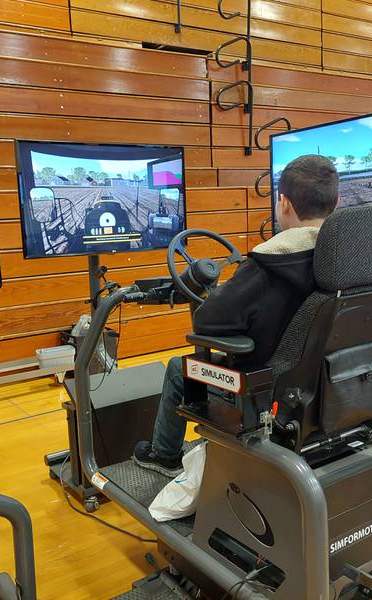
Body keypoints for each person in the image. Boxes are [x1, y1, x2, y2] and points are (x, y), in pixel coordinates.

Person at [133, 154, 340, 477]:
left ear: (283, 202)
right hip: (328, 386)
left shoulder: (266, 265)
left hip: (263, 391)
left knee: (178, 369)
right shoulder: (348, 261)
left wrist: (211, 292)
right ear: (336, 201)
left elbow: (207, 322)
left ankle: (164, 456)